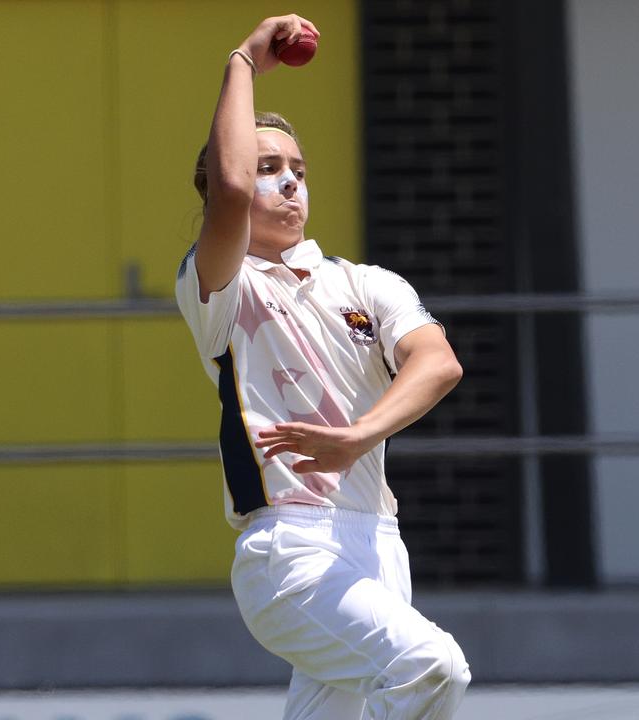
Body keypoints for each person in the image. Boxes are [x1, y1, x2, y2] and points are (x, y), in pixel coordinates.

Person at [174, 15, 470, 720]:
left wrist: (358, 434)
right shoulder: (220, 287)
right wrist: (243, 59)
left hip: (379, 541)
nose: (288, 185)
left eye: (299, 172)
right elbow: (234, 193)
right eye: (270, 167)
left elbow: (438, 362)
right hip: (290, 551)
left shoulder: (366, 282)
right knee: (434, 668)